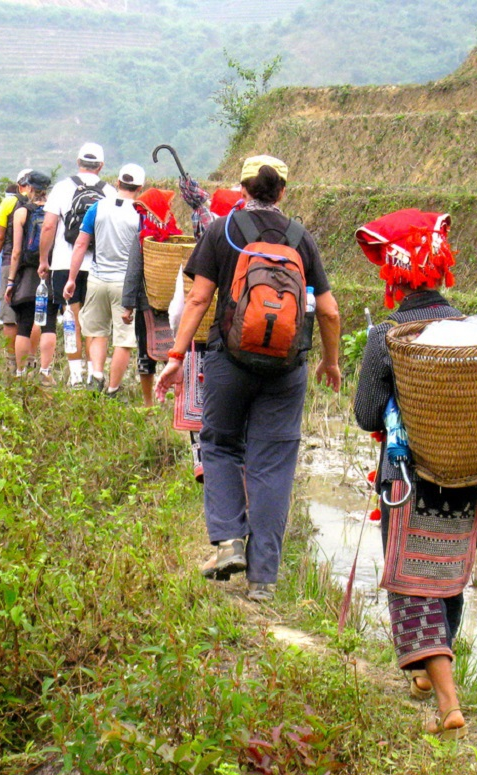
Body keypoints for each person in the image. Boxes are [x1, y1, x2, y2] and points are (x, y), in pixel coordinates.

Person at [155, 155, 342, 603]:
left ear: (243, 189)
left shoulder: (223, 231)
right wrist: (330, 362)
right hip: (286, 367)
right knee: (273, 465)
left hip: (230, 361)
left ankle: (228, 541)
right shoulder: (301, 239)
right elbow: (330, 311)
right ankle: (263, 580)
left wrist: (176, 355)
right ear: (281, 192)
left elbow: (199, 299)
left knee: (219, 444)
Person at [353, 208, 477, 741]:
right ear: (438, 268)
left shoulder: (387, 336)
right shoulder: (474, 333)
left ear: (394, 273)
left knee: (412, 583)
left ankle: (448, 702)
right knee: (447, 573)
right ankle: (427, 679)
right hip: (468, 475)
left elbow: (367, 415)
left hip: (407, 479)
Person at [63, 163, 145, 395]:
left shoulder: (98, 207)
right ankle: (113, 389)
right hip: (125, 284)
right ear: (139, 187)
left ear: (118, 183)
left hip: (97, 279)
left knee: (97, 332)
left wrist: (71, 279)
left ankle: (97, 373)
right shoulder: (140, 214)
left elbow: (80, 244)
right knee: (124, 340)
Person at [39, 143, 116, 386]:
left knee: (71, 319)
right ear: (101, 166)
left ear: (78, 162)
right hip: (99, 267)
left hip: (64, 263)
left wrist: (44, 259)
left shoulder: (62, 188)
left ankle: (75, 378)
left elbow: (49, 226)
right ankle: (95, 375)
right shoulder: (110, 193)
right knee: (95, 322)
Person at [122, 186, 182, 406]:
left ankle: (149, 403)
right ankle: (176, 401)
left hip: (146, 303)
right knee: (173, 350)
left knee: (146, 352)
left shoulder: (143, 238)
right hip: (174, 304)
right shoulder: (177, 237)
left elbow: (134, 272)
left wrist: (127, 305)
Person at [3, 172, 53, 381]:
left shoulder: (22, 212)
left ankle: (20, 373)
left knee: (23, 324)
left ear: (29, 188)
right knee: (49, 324)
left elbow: (16, 251)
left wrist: (11, 281)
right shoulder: (54, 211)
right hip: (49, 273)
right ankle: (45, 371)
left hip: (26, 274)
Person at [0, 169, 32, 358]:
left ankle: (11, 362)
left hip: (9, 262)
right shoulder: (44, 204)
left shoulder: (9, 202)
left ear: (18, 185)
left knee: (9, 318)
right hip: (34, 266)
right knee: (34, 315)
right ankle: (30, 360)